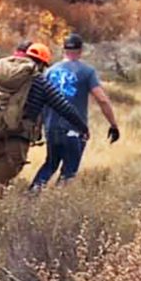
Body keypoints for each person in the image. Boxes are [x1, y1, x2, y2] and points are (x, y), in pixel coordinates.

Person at [0, 41, 89, 198]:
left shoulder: (3, 74)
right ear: (42, 63)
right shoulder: (38, 80)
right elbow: (62, 105)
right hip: (16, 138)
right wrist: (82, 126)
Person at [31, 32, 119, 189]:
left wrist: (38, 127)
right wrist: (113, 125)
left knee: (50, 165)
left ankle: (30, 198)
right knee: (69, 172)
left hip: (52, 128)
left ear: (63, 50)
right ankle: (58, 204)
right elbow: (102, 99)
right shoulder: (87, 71)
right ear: (80, 50)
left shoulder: (49, 72)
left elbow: (41, 102)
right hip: (74, 130)